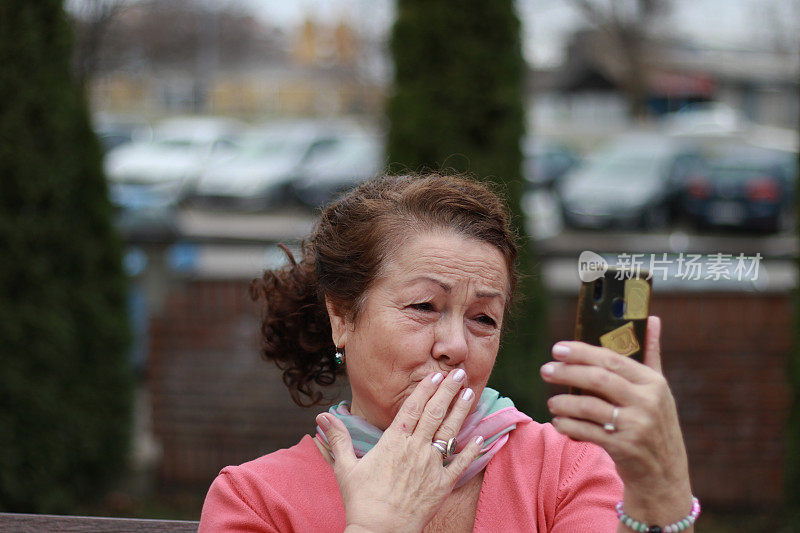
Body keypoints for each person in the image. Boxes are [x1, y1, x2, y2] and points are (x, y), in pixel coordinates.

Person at [199, 173, 697, 532]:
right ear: (341, 318)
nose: (456, 347)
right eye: (424, 306)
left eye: (484, 318)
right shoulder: (256, 500)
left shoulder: (563, 470)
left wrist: (662, 486)